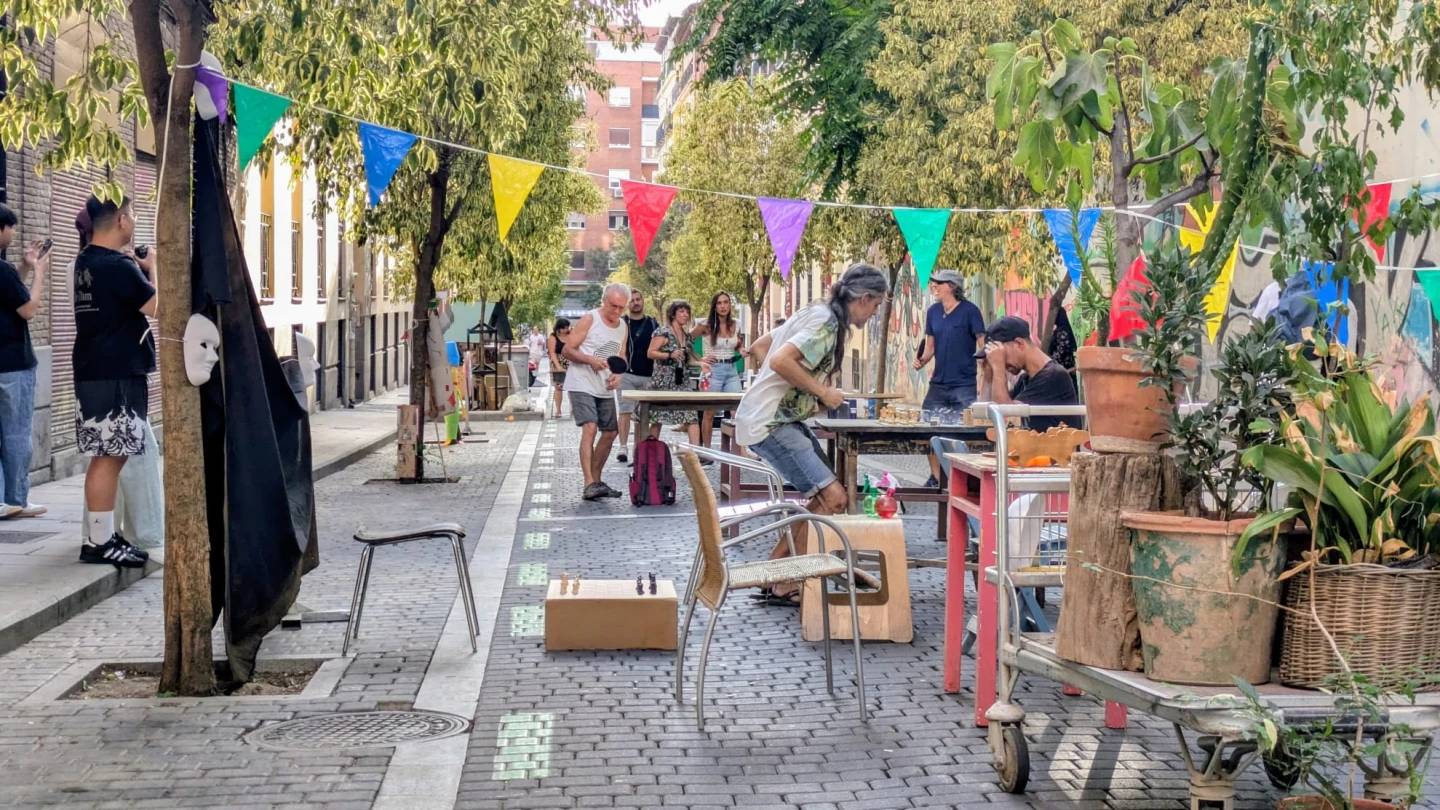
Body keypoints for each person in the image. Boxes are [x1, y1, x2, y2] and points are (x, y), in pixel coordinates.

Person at [733, 264, 889, 605]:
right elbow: (779, 361)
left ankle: (775, 573)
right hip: (770, 422)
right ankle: (786, 581)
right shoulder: (825, 322)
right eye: (876, 306)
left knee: (824, 496)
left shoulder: (817, 312)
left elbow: (761, 346)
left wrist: (796, 390)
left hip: (778, 417)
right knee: (834, 499)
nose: (875, 313)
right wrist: (820, 391)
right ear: (864, 298)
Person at [73, 196, 155, 567]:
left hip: (95, 368)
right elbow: (158, 307)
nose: (134, 222)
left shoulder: (86, 261)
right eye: (133, 215)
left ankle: (102, 536)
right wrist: (153, 269)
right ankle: (99, 542)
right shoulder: (119, 266)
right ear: (121, 220)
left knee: (108, 455)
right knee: (109, 457)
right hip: (116, 372)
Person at [912, 269, 986, 488]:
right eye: (934, 282)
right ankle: (935, 477)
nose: (935, 286)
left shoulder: (970, 312)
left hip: (964, 384)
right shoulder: (933, 312)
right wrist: (922, 360)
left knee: (963, 432)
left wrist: (986, 374)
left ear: (953, 286)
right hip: (938, 384)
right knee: (928, 427)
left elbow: (983, 344)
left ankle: (963, 479)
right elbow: (930, 346)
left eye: (940, 283)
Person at [0, 204, 49, 519]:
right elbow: (27, 309)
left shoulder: (5, 272)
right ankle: (16, 499)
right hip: (13, 365)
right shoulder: (1, 270)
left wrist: (25, 266)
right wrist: (40, 272)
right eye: (11, 227)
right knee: (16, 433)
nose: (14, 232)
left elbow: (8, 293)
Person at [563, 283, 629, 501]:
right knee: (590, 427)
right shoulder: (590, 319)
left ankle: (596, 480)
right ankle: (588, 482)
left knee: (610, 432)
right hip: (581, 382)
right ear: (604, 301)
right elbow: (567, 350)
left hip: (604, 385)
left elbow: (621, 356)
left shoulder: (622, 326)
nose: (617, 311)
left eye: (621, 307)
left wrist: (618, 374)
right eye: (613, 306)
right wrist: (589, 360)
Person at [976, 315, 1079, 433]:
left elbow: (1005, 415)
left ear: (1019, 343)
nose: (1001, 361)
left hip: (1055, 445)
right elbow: (984, 415)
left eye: (1001, 354)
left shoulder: (1053, 376)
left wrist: (998, 367)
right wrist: (988, 375)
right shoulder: (1026, 379)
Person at [692, 290, 747, 449]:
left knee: (737, 410)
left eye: (726, 302)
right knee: (709, 412)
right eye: (719, 303)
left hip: (731, 369)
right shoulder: (705, 324)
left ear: (730, 305)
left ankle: (741, 451)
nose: (723, 306)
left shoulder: (736, 324)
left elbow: (736, 343)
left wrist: (741, 349)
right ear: (714, 307)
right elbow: (686, 341)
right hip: (713, 370)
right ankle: (707, 450)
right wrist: (700, 360)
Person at [646, 299, 703, 445]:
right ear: (673, 314)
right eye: (682, 311)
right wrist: (669, 355)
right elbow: (650, 353)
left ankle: (695, 453)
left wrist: (701, 363)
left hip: (682, 382)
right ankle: (649, 452)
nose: (685, 315)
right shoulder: (663, 332)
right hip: (663, 382)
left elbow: (688, 359)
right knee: (657, 419)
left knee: (691, 416)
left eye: (687, 312)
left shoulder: (686, 336)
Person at [615, 289, 657, 465]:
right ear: (627, 304)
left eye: (638, 299)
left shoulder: (653, 323)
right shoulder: (621, 323)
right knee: (625, 410)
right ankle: (622, 446)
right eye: (632, 300)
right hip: (626, 374)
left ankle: (637, 450)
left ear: (643, 301)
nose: (636, 303)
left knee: (642, 415)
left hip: (648, 374)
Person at [546, 318, 571, 417]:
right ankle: (558, 410)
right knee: (559, 387)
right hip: (557, 362)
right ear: (559, 328)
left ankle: (573, 409)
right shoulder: (553, 337)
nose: (566, 330)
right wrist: (558, 366)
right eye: (564, 328)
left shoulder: (571, 335)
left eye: (567, 328)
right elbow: (552, 352)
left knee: (572, 387)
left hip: (570, 362)